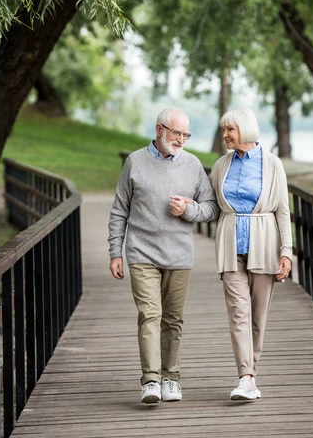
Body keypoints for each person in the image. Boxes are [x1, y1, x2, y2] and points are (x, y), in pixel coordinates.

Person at [108, 107, 218, 405]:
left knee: (173, 319)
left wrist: (189, 210)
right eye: (176, 133)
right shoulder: (135, 162)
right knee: (150, 315)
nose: (181, 139)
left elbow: (211, 208)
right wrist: (114, 252)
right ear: (159, 130)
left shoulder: (193, 165)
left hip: (179, 255)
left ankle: (171, 379)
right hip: (141, 252)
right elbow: (119, 211)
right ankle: (151, 381)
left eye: (186, 134)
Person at [210, 105, 292, 401]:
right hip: (230, 245)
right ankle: (245, 377)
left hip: (265, 244)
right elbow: (211, 205)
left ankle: (251, 376)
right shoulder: (221, 165)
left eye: (229, 130)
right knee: (238, 313)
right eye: (223, 130)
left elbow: (283, 210)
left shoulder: (272, 164)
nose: (225, 136)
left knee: (258, 315)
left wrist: (287, 252)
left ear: (244, 129)